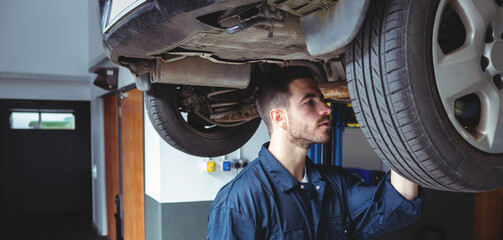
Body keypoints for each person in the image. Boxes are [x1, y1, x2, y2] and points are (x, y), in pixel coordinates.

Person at [207, 66, 423, 239]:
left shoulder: (336, 183)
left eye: (322, 99)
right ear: (279, 117)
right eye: (310, 102)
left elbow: (397, 202)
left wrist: (403, 122)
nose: (327, 108)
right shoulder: (240, 200)